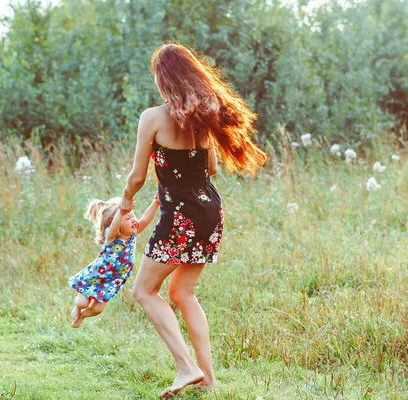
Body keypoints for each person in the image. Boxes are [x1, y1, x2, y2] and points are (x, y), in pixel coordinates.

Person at [119, 43, 267, 397]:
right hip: (209, 211)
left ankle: (187, 368)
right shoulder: (204, 118)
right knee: (183, 292)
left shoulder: (152, 118)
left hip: (181, 215)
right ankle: (209, 379)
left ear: (163, 79)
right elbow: (212, 168)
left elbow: (138, 177)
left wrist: (126, 201)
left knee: (144, 291)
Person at [68, 194, 159, 329]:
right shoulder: (111, 237)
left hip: (112, 281)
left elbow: (145, 218)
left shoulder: (132, 235)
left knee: (97, 309)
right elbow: (114, 225)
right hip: (97, 275)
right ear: (116, 225)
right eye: (128, 218)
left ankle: (82, 316)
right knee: (82, 302)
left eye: (133, 216)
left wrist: (156, 202)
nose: (134, 220)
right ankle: (77, 307)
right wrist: (121, 212)